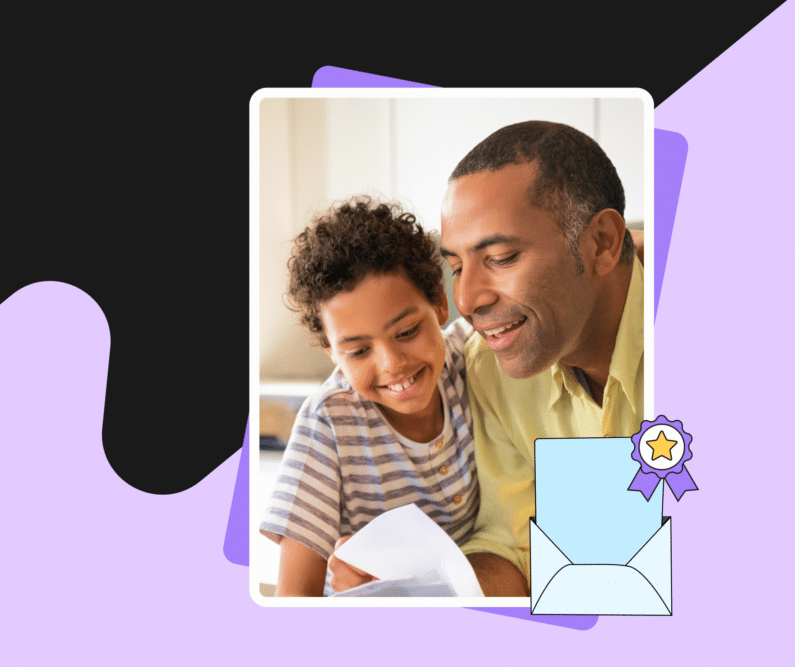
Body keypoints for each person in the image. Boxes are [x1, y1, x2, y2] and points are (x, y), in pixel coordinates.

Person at [438, 120, 645, 596]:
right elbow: (515, 548)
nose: (466, 299)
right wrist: (421, 592)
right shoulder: (487, 366)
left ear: (602, 244)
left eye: (503, 257)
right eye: (456, 266)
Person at [259, 196, 477, 596]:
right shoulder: (329, 422)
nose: (392, 363)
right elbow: (293, 599)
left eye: (408, 331)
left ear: (440, 305)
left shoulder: (472, 358)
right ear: (332, 354)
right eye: (358, 351)